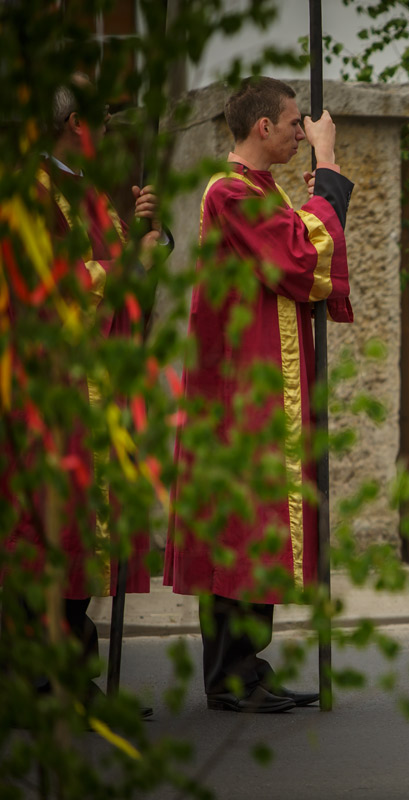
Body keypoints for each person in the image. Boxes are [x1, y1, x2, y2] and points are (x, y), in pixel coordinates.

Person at [164, 77, 353, 713]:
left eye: (307, 125)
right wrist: (328, 169)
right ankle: (229, 677)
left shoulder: (261, 192)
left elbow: (299, 244)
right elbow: (300, 261)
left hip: (266, 386)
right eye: (296, 123)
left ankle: (247, 668)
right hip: (241, 392)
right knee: (242, 528)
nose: (303, 132)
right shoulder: (231, 192)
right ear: (263, 128)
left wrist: (313, 200)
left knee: (262, 526)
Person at [2, 74, 167, 715]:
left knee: (78, 538)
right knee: (46, 534)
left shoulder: (82, 191)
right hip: (48, 390)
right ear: (76, 124)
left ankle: (73, 681)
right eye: (101, 119)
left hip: (91, 386)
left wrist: (146, 238)